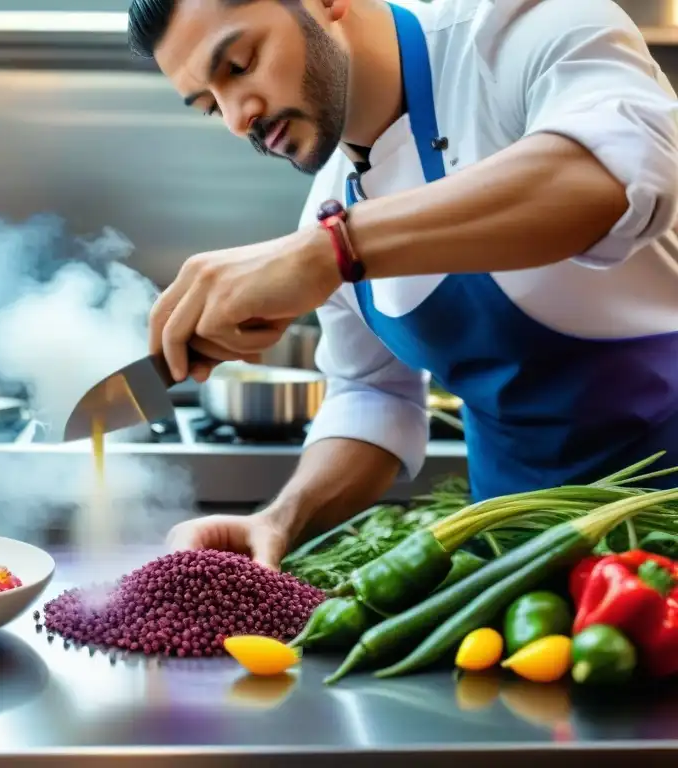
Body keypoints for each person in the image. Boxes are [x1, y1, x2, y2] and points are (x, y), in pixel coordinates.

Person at [127, 0, 678, 569]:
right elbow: (375, 396)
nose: (238, 117)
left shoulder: (522, 28)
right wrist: (282, 518)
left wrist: (333, 251)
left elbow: (614, 174)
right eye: (211, 106)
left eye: (240, 64)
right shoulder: (330, 206)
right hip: (518, 565)